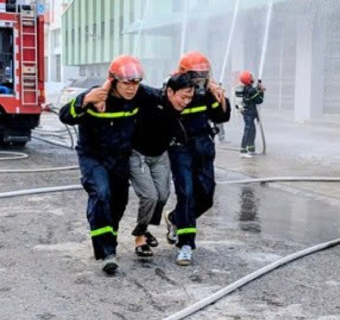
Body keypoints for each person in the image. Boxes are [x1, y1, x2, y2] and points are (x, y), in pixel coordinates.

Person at [59, 55, 148, 275]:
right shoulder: (96, 95)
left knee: (118, 202)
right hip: (93, 157)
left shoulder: (139, 96)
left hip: (119, 159)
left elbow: (164, 97)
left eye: (135, 83)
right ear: (114, 80)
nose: (131, 88)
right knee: (101, 193)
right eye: (127, 83)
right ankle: (107, 252)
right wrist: (84, 101)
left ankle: (109, 234)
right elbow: (65, 116)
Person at [167, 51, 231, 266]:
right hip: (180, 149)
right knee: (186, 192)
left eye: (204, 76)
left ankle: (176, 219)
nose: (200, 81)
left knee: (206, 197)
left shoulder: (207, 93)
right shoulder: (174, 91)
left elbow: (221, 117)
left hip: (203, 148)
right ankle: (186, 245)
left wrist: (220, 96)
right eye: (196, 76)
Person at [128, 75, 195, 259]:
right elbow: (133, 85)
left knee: (163, 195)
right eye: (183, 97)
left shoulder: (182, 105)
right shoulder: (152, 97)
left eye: (190, 98)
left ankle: (147, 227)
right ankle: (140, 237)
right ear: (170, 91)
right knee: (150, 196)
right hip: (138, 154)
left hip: (160, 155)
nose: (186, 102)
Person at [236, 70, 265, 158]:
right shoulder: (251, 90)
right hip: (249, 113)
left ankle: (251, 149)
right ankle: (243, 150)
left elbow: (254, 94)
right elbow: (259, 100)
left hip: (248, 112)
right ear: (248, 79)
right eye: (251, 76)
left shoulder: (248, 88)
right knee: (248, 131)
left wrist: (258, 89)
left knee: (252, 131)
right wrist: (261, 91)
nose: (253, 77)